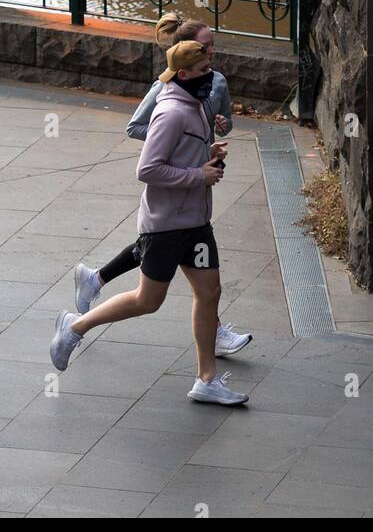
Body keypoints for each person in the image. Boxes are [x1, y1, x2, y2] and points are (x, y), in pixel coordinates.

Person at [50, 38, 249, 406]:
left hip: (196, 223)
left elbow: (184, 153)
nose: (212, 75)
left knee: (209, 293)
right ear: (184, 73)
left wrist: (208, 153)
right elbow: (147, 169)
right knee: (148, 300)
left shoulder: (198, 104)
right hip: (167, 225)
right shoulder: (170, 112)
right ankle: (74, 327)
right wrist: (197, 175)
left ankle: (206, 379)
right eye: (205, 70)